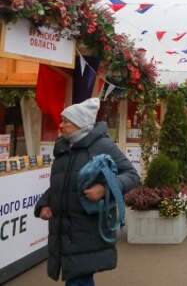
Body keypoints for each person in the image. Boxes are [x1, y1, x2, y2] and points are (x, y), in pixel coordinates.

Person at [35, 98, 139, 286]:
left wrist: (104, 188)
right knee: (77, 278)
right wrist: (45, 203)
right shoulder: (64, 147)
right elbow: (61, 183)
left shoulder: (101, 145)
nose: (60, 125)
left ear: (80, 124)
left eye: (66, 121)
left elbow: (132, 175)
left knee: (78, 279)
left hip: (86, 230)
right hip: (63, 230)